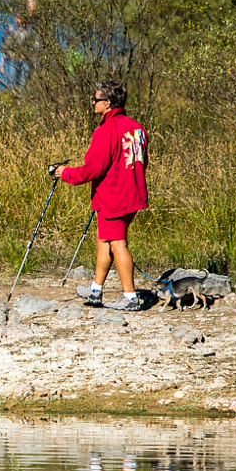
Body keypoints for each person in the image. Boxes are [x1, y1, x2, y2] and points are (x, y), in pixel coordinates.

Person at [54, 81, 150, 310]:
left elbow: (91, 170)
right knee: (103, 240)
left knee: (118, 244)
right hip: (133, 194)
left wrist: (64, 173)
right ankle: (95, 290)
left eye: (96, 100)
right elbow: (141, 162)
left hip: (114, 197)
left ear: (107, 104)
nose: (93, 103)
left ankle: (130, 298)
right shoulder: (138, 129)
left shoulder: (106, 130)